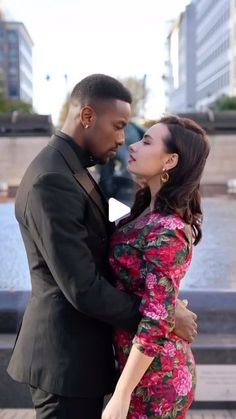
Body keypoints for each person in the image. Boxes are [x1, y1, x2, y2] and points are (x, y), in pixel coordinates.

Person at [7, 75, 197, 419]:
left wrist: (162, 306)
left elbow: (110, 248)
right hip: (64, 360)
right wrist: (164, 316)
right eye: (119, 125)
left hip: (85, 357)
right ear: (88, 117)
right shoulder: (53, 178)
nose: (124, 139)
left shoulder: (71, 170)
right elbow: (82, 286)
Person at [102, 116, 210, 419]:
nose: (132, 145)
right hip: (136, 370)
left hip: (155, 379)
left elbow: (156, 321)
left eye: (147, 141)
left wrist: (121, 395)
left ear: (170, 160)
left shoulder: (168, 230)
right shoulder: (141, 214)